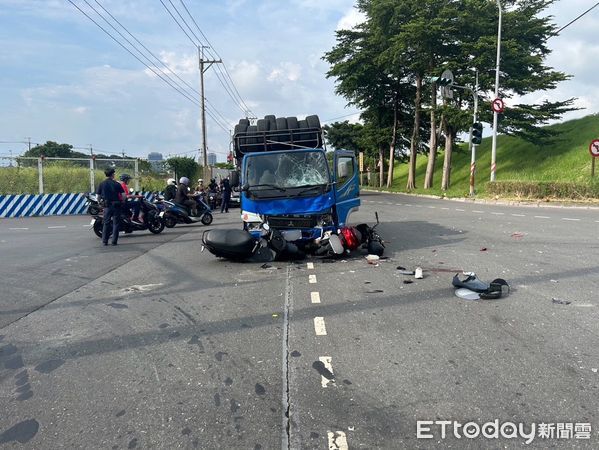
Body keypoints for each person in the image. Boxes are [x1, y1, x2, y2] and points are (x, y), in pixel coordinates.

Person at [96, 167, 125, 246]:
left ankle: (105, 241)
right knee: (116, 224)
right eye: (114, 173)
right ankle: (114, 241)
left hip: (107, 206)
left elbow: (98, 196)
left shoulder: (102, 184)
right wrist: (122, 201)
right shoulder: (117, 184)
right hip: (116, 206)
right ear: (112, 174)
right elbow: (123, 195)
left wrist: (99, 203)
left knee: (106, 223)